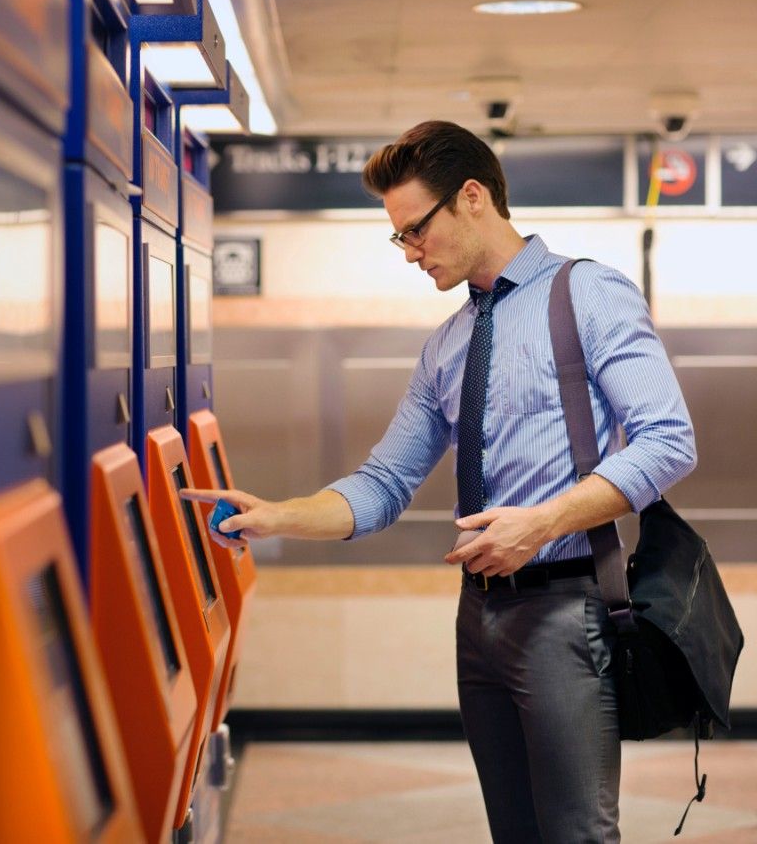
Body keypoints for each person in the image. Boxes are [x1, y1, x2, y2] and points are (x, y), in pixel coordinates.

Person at [180, 120, 696, 843]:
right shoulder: (449, 344)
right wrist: (279, 515)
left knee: (576, 833)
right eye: (400, 238)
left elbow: (669, 439)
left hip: (564, 610)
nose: (410, 253)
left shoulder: (589, 295)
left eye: (416, 230)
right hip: (478, 620)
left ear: (473, 197)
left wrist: (540, 522)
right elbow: (386, 480)